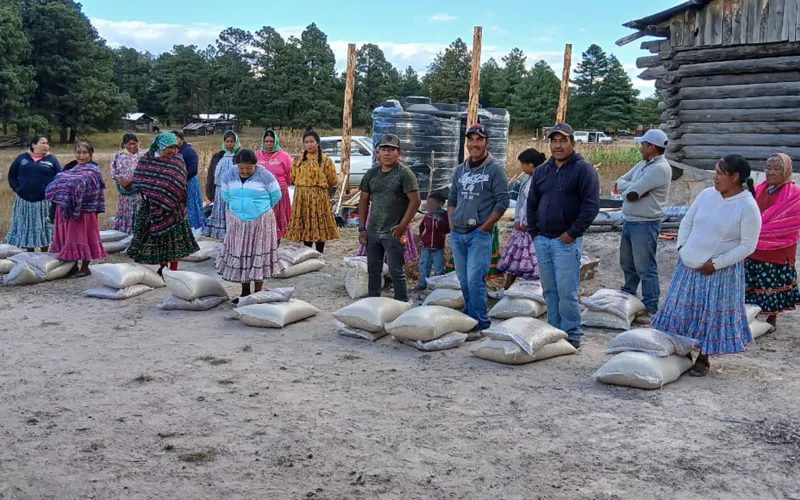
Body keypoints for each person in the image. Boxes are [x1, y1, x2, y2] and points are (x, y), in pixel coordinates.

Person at [652, 154, 761, 376]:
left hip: (718, 272)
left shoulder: (747, 206)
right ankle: (682, 351)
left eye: (720, 173)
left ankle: (703, 357)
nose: (715, 177)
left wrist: (716, 263)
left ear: (734, 177)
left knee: (709, 314)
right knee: (682, 309)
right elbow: (687, 222)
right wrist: (682, 248)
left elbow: (747, 246)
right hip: (689, 265)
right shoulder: (706, 195)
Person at [527, 123, 600, 349]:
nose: (558, 146)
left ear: (572, 143)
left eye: (563, 141)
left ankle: (572, 332)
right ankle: (553, 329)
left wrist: (572, 233)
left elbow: (591, 206)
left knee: (566, 291)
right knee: (549, 289)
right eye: (554, 141)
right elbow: (532, 202)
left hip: (566, 242)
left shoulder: (583, 169)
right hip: (543, 240)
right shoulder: (542, 170)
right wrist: (534, 233)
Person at [448, 124, 510, 330]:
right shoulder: (460, 170)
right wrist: (452, 222)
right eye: (471, 139)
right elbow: (452, 199)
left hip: (479, 234)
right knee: (463, 279)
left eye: (479, 139)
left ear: (487, 142)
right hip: (458, 233)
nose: (474, 144)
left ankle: (480, 322)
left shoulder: (494, 170)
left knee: (475, 279)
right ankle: (469, 316)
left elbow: (503, 201)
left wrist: (485, 227)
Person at [615, 129, 672, 318]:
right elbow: (619, 182)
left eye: (643, 144)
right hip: (631, 220)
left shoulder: (659, 169)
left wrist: (631, 189)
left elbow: (632, 194)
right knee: (628, 262)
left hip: (645, 223)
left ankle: (651, 306)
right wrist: (632, 189)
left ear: (652, 147)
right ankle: (629, 293)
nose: (640, 147)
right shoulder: (643, 164)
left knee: (645, 266)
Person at [357, 133, 421, 301]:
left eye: (391, 150)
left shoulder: (404, 174)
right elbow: (363, 200)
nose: (387, 153)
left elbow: (415, 201)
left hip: (394, 231)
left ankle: (401, 303)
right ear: (378, 152)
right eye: (384, 149)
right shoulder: (372, 174)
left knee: (396, 270)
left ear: (398, 153)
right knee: (373, 269)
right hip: (373, 230)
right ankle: (373, 303)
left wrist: (402, 226)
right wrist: (362, 227)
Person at [216, 149, 284, 303]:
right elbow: (225, 195)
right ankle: (245, 292)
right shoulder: (229, 175)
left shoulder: (265, 175)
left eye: (249, 168)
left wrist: (261, 208)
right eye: (242, 168)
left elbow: (276, 195)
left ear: (255, 165)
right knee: (241, 254)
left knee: (258, 253)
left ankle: (258, 293)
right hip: (238, 221)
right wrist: (237, 208)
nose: (245, 171)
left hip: (260, 220)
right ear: (236, 165)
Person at [127, 132, 200, 273]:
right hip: (151, 208)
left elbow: (180, 181)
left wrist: (168, 196)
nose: (173, 150)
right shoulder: (147, 160)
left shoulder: (177, 160)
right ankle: (162, 268)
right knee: (159, 243)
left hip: (174, 209)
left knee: (174, 243)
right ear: (161, 146)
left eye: (175, 147)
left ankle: (173, 270)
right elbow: (140, 178)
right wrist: (153, 193)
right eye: (170, 147)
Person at [745, 153, 800, 328]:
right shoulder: (760, 189)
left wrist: (762, 232)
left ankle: (771, 319)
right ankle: (751, 316)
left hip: (778, 250)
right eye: (768, 168)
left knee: (771, 284)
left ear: (786, 171)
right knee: (751, 283)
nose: (771, 172)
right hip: (754, 247)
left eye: (777, 169)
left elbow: (788, 224)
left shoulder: (794, 195)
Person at [45, 141, 106, 277]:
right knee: (68, 237)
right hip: (65, 209)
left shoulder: (93, 170)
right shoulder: (69, 167)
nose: (81, 156)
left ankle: (85, 267)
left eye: (84, 153)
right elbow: (55, 183)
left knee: (83, 236)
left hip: (84, 211)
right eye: (78, 152)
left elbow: (79, 184)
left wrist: (67, 187)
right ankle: (71, 266)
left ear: (90, 154)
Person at [497, 148, 546, 289]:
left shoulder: (541, 180)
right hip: (521, 227)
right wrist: (518, 219)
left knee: (530, 261)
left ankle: (531, 290)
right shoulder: (526, 179)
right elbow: (520, 201)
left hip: (533, 228)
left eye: (523, 164)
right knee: (514, 259)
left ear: (530, 164)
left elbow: (536, 205)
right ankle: (507, 290)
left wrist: (527, 222)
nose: (521, 167)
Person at [285, 128, 339, 252]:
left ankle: (319, 254)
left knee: (319, 225)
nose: (309, 144)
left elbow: (332, 180)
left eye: (312, 142)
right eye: (306, 142)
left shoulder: (326, 160)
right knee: (305, 225)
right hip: (302, 197)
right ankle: (307, 253)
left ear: (318, 143)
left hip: (319, 197)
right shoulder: (298, 159)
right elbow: (293, 176)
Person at [6, 135, 61, 251]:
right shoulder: (22, 158)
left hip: (44, 202)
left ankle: (44, 253)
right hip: (24, 201)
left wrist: (53, 192)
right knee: (27, 227)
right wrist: (17, 189)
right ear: (34, 145)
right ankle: (29, 253)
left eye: (47, 143)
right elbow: (12, 175)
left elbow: (61, 177)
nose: (46, 146)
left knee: (44, 228)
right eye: (43, 143)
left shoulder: (52, 160)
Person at [255, 129, 293, 241]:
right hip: (261, 194)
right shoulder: (257, 155)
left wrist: (281, 185)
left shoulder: (284, 156)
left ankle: (276, 242)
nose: (268, 144)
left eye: (271, 141)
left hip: (278, 193)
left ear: (275, 142)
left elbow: (290, 174)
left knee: (277, 219)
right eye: (266, 141)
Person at [204, 130, 241, 239]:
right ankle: (221, 233)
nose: (229, 144)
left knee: (232, 211)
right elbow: (211, 174)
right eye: (227, 141)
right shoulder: (218, 156)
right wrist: (209, 192)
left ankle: (232, 233)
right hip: (219, 190)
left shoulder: (239, 156)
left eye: (231, 141)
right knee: (220, 210)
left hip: (233, 190)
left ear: (236, 142)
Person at [172, 130, 207, 231]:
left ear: (182, 139)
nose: (174, 141)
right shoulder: (174, 150)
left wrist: (180, 179)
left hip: (189, 183)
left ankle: (194, 227)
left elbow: (193, 170)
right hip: (178, 184)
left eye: (176, 139)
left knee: (191, 205)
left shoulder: (189, 151)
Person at [110, 133, 144, 235]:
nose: (132, 146)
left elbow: (147, 172)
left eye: (134, 143)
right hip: (125, 195)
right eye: (129, 144)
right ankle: (124, 234)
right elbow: (114, 172)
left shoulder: (143, 156)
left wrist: (131, 181)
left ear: (138, 143)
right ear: (124, 145)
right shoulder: (118, 156)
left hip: (139, 194)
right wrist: (123, 183)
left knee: (139, 214)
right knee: (125, 214)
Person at [416, 190, 449, 291]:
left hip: (438, 246)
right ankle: (422, 284)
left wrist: (439, 221)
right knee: (424, 265)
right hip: (426, 246)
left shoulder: (444, 215)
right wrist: (422, 237)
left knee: (438, 267)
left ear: (440, 204)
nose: (429, 206)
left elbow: (447, 229)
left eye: (431, 203)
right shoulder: (427, 215)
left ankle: (438, 286)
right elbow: (422, 226)